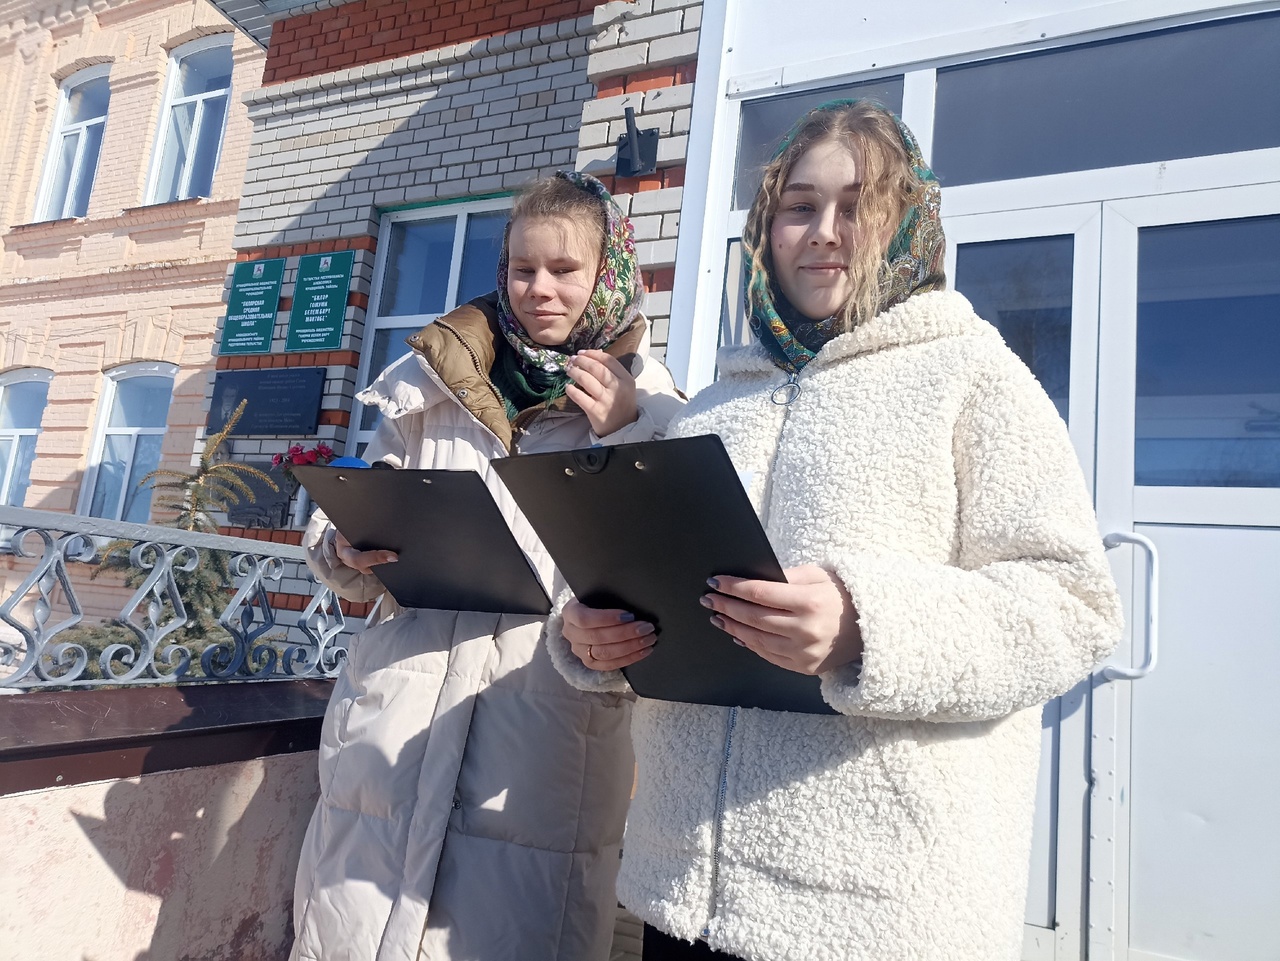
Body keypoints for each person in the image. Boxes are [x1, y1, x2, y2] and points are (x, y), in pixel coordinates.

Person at [546, 101, 1124, 961]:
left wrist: (869, 623)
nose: (823, 230)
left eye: (856, 205)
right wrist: (589, 636)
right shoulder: (713, 406)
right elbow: (648, 575)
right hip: (681, 894)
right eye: (799, 206)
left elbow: (1073, 605)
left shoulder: (971, 375)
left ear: (907, 222)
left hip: (873, 912)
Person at [290, 171, 685, 961]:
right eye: (523, 268)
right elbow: (356, 499)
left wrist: (627, 431)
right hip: (395, 725)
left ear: (609, 273)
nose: (541, 289)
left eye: (565, 269)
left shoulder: (652, 404)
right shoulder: (430, 378)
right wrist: (342, 543)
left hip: (540, 744)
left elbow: (669, 560)